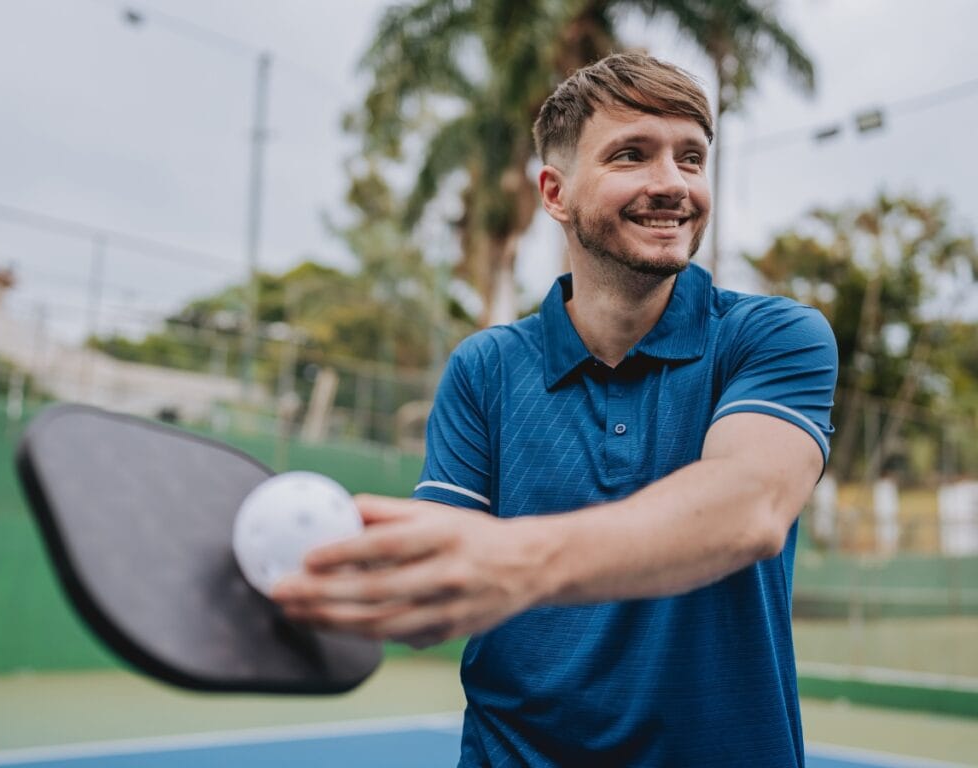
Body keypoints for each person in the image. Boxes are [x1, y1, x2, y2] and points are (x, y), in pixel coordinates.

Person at [273, 52, 837, 767]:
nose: (672, 183)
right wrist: (334, 570)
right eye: (632, 155)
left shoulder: (776, 337)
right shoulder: (485, 366)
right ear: (555, 192)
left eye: (691, 158)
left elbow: (749, 507)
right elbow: (450, 557)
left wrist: (517, 562)